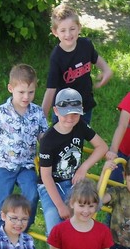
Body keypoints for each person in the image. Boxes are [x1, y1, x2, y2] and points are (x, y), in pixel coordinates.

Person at [0, 63, 47, 235]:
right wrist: (2, 145)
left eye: (31, 92)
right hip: (3, 165)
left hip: (26, 165)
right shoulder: (0, 113)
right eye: (21, 92)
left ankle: (20, 232)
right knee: (1, 202)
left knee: (32, 194)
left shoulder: (37, 113)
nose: (26, 97)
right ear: (11, 89)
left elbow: (44, 138)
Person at [38, 88, 109, 236]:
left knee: (83, 218)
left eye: (75, 114)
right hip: (51, 185)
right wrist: (60, 206)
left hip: (74, 181)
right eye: (65, 114)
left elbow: (102, 146)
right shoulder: (48, 140)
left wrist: (84, 167)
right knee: (55, 230)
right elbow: (46, 176)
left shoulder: (80, 125)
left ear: (81, 111)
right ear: (56, 111)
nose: (70, 118)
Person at [41, 3, 113, 125]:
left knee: (82, 134)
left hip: (85, 104)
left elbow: (95, 58)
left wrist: (106, 70)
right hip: (65, 109)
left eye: (72, 29)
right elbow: (51, 89)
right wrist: (41, 117)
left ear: (79, 28)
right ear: (55, 32)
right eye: (63, 30)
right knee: (62, 136)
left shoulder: (86, 45)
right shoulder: (57, 57)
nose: (68, 34)